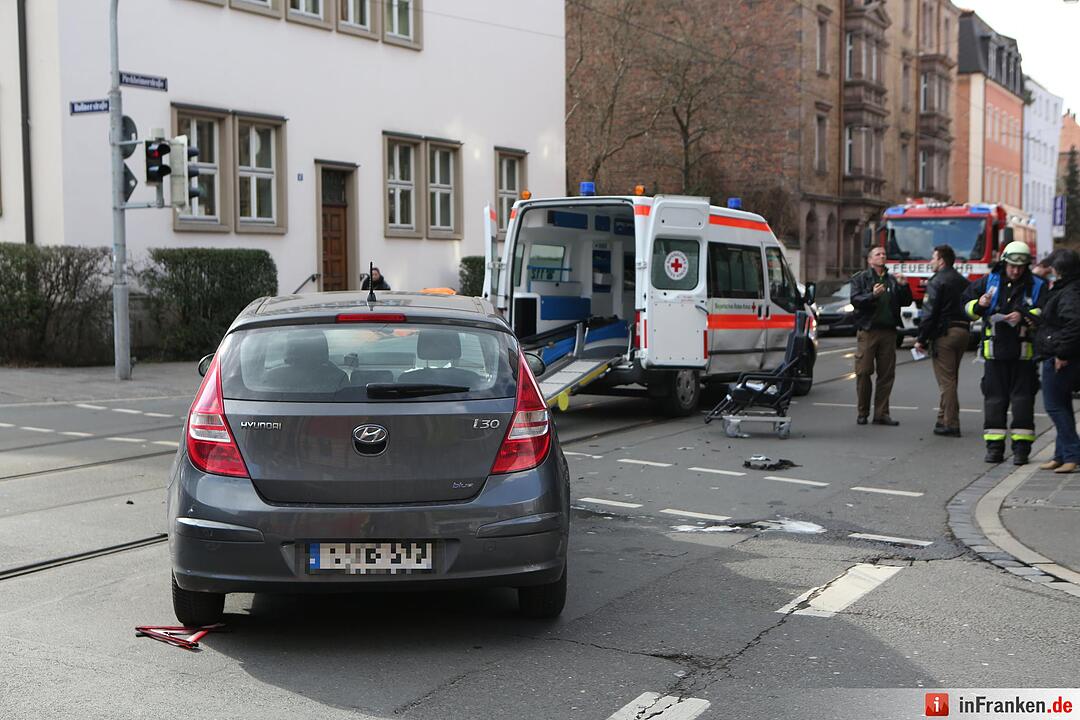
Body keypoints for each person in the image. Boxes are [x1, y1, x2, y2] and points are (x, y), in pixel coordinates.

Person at [962, 240, 1047, 465]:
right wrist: (979, 304)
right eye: (1011, 266)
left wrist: (1024, 315)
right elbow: (965, 308)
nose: (1015, 271)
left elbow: (1046, 312)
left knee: (1022, 403)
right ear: (1004, 262)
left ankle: (1021, 450)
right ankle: (994, 448)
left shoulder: (1037, 285)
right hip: (995, 355)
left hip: (1023, 356)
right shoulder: (989, 281)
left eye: (1020, 267)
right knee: (994, 402)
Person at [850, 246, 912, 426]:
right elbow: (855, 300)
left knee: (886, 374)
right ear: (870, 260)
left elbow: (906, 301)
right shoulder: (861, 278)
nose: (882, 256)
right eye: (878, 254)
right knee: (863, 371)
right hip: (869, 331)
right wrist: (872, 295)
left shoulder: (892, 279)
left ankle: (881, 413)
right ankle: (863, 411)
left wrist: (904, 286)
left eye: (884, 253)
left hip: (889, 331)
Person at [913, 245, 970, 437]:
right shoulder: (963, 281)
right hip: (963, 331)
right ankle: (942, 417)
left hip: (945, 334)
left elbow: (930, 313)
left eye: (933, 258)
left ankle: (951, 423)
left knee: (946, 381)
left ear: (941, 261)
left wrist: (921, 338)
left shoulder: (937, 281)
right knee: (952, 377)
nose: (931, 261)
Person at [1033, 249, 1080, 474]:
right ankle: (1061, 455)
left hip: (1060, 357)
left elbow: (1073, 324)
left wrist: (1062, 354)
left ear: (1058, 270)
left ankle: (1072, 454)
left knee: (1054, 406)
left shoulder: (1069, 292)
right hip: (1057, 353)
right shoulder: (1068, 288)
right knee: (1062, 406)